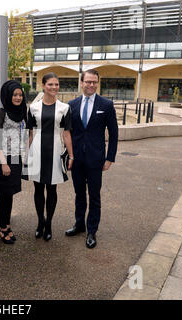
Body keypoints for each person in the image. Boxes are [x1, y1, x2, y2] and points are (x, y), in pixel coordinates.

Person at [65, 69, 118, 249]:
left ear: (97, 83)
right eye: (88, 82)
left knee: (94, 196)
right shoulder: (71, 104)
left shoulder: (106, 104)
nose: (91, 85)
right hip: (77, 159)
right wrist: (68, 156)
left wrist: (110, 157)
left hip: (96, 160)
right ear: (81, 83)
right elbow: (67, 133)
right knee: (79, 194)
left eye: (94, 82)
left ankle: (91, 231)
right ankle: (79, 225)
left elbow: (114, 133)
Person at [26, 72, 74, 241]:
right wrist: (27, 155)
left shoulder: (64, 108)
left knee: (52, 189)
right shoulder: (33, 108)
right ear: (43, 86)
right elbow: (30, 133)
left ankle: (49, 224)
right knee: (38, 189)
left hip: (54, 150)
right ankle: (40, 222)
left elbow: (67, 134)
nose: (54, 87)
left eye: (56, 84)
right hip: (37, 150)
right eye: (50, 84)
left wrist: (71, 156)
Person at [0, 80, 27, 244]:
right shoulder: (1, 112)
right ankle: (2, 228)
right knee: (4, 193)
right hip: (3, 158)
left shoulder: (22, 112)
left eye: (20, 94)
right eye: (15, 94)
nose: (18, 97)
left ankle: (6, 224)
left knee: (10, 193)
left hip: (16, 158)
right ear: (8, 95)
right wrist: (3, 163)